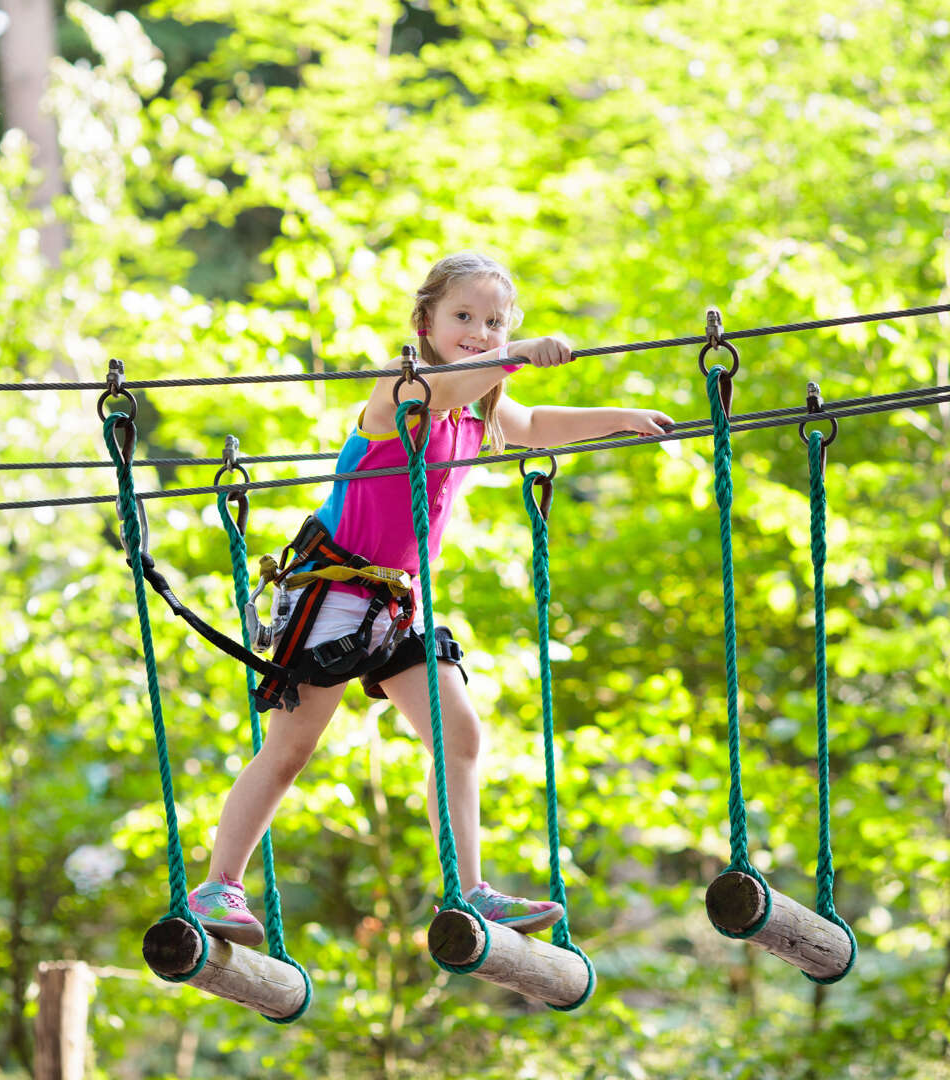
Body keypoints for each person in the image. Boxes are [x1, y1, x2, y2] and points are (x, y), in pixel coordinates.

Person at [189, 252, 673, 946]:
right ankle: (218, 887)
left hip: (398, 604)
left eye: (494, 323)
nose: (479, 331)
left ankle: (468, 889)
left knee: (460, 734)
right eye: (464, 317)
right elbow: (443, 392)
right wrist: (517, 357)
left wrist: (621, 417)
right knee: (293, 749)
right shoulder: (403, 387)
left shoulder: (478, 418)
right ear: (426, 322)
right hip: (335, 592)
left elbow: (534, 424)